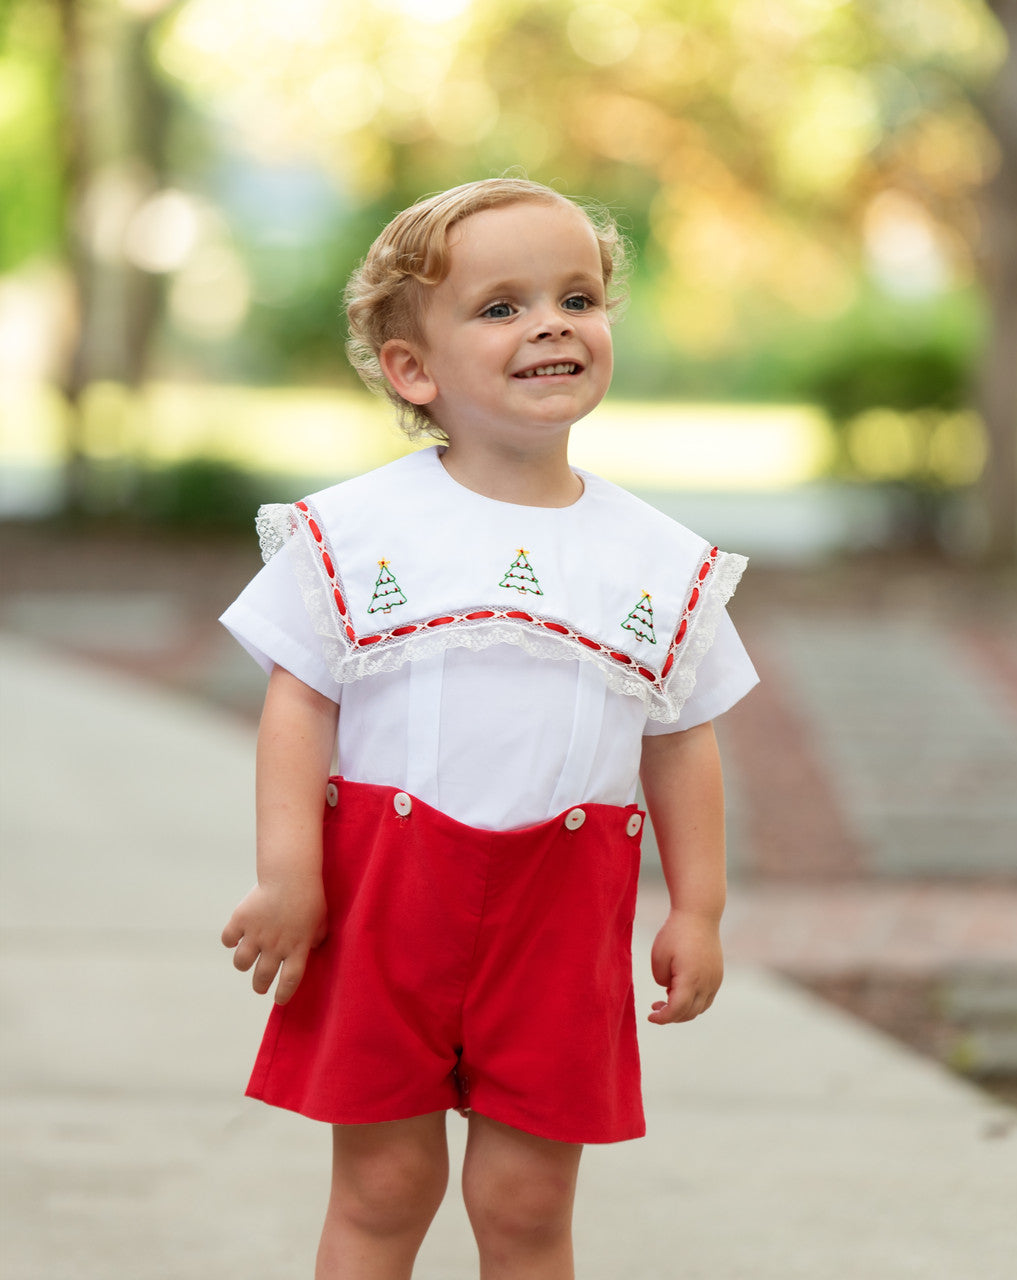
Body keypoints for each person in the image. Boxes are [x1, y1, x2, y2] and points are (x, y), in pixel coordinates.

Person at [219, 177, 758, 1280]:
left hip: (560, 909)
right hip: (381, 894)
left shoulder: (656, 559)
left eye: (578, 296)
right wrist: (288, 874)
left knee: (525, 1201)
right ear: (415, 369)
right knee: (382, 1184)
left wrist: (697, 904)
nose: (553, 322)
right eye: (501, 307)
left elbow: (680, 734)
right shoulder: (357, 530)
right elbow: (298, 701)